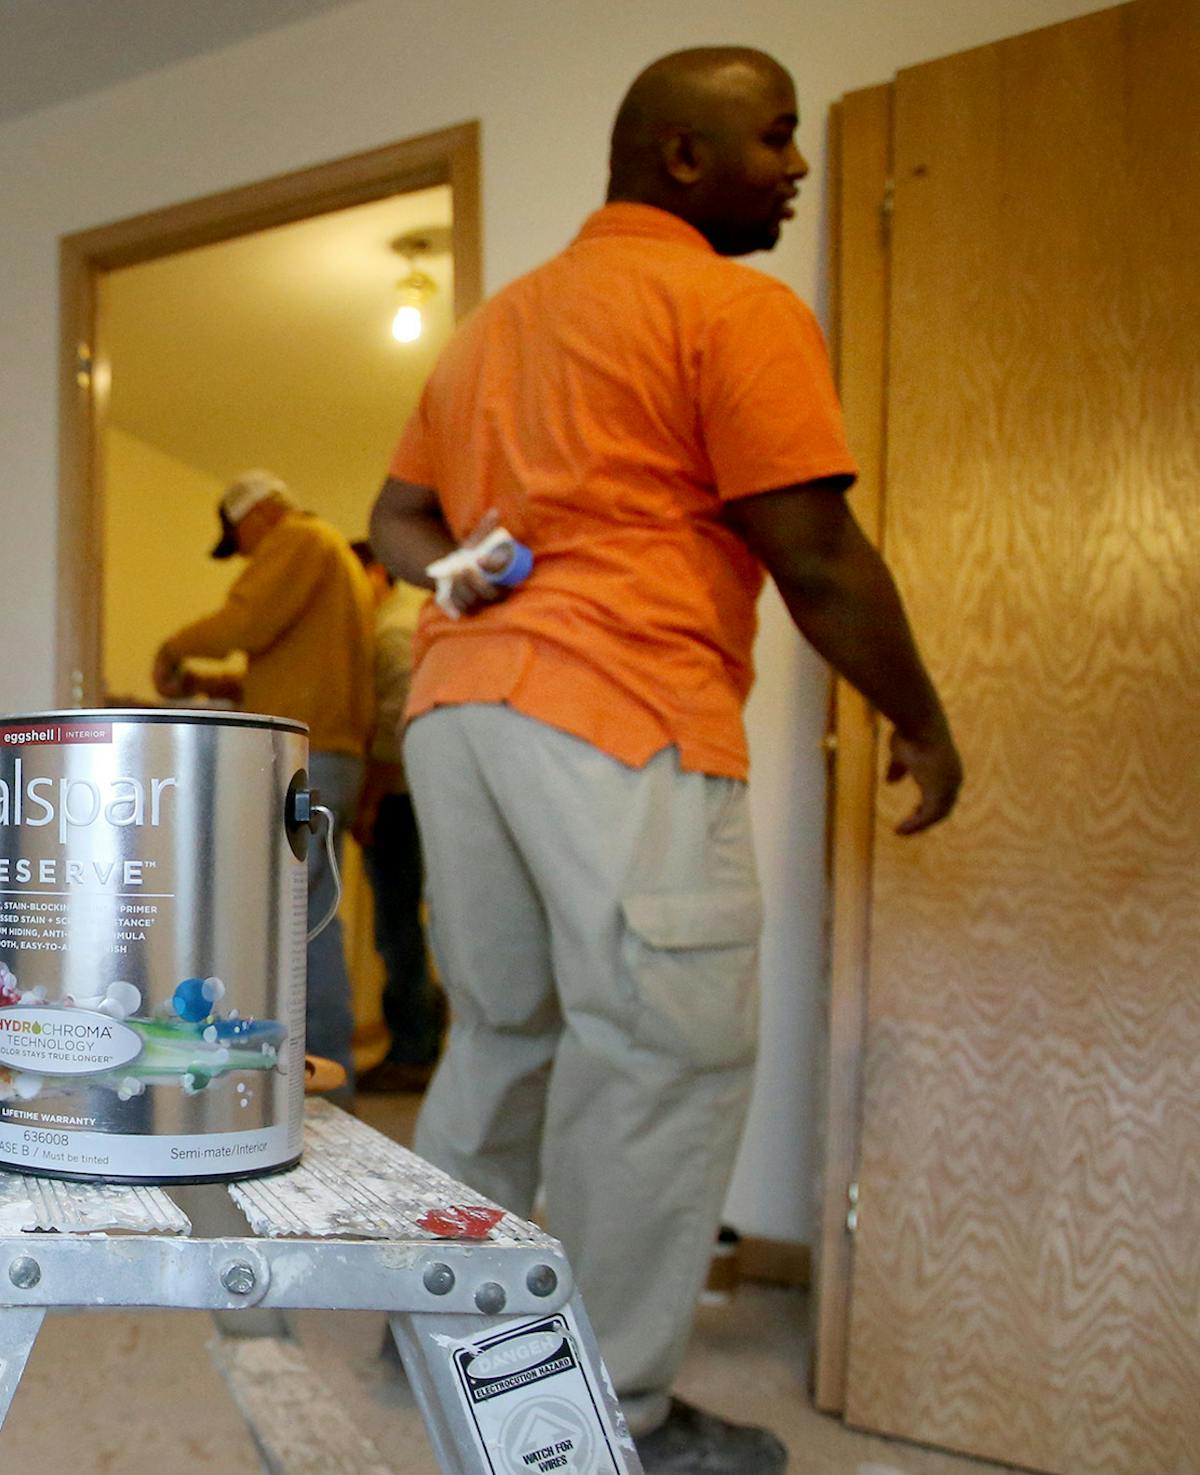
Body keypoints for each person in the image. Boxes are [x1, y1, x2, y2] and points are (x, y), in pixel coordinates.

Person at [368, 47, 963, 1475]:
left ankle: (427, 1334)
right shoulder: (725, 305)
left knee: (507, 1031)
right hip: (615, 710)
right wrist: (925, 718)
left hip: (458, 713)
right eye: (777, 139)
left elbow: (394, 519)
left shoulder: (490, 328)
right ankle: (603, 1411)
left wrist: (458, 576)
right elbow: (811, 547)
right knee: (664, 1050)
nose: (799, 168)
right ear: (684, 160)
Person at [152, 471, 374, 1087]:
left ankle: (312, 1082)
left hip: (307, 759)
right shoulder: (336, 558)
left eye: (241, 543)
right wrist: (217, 686)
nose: (246, 558)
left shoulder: (299, 540)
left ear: (254, 515)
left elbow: (243, 623)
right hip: (339, 754)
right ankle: (325, 1077)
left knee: (294, 927)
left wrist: (172, 651)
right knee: (312, 918)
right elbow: (295, 660)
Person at [349, 539, 442, 1093]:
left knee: (397, 925)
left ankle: (413, 1048)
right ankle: (419, 1034)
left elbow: (392, 727)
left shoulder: (390, 630)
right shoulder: (403, 621)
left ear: (379, 573)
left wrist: (369, 799)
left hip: (398, 796)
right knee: (406, 923)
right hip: (410, 793)